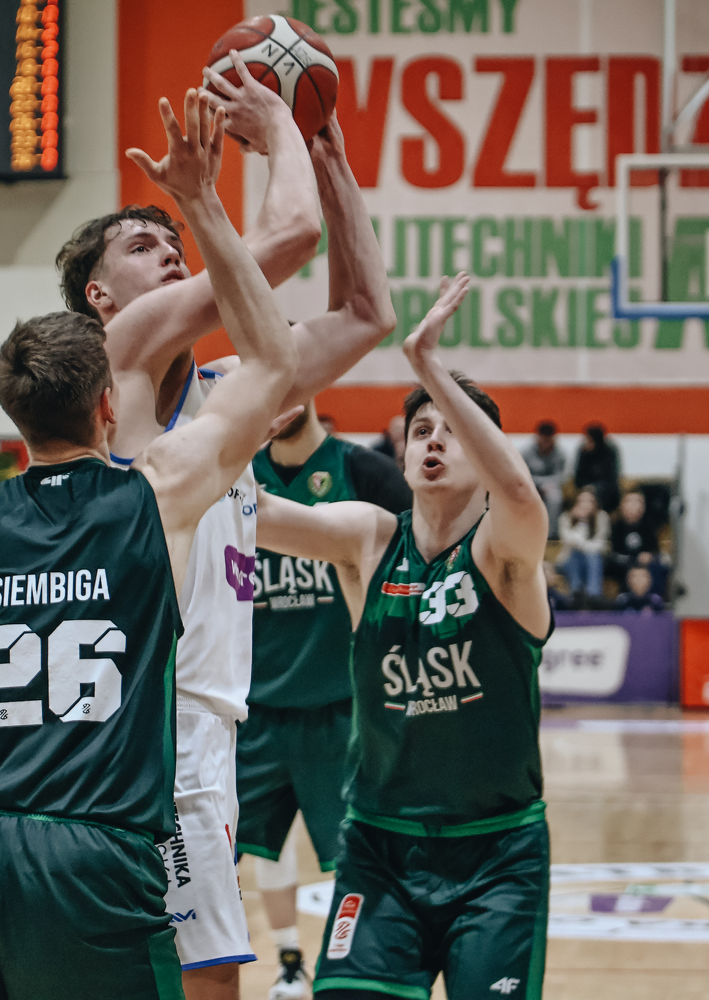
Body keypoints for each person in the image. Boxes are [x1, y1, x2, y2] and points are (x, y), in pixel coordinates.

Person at [0, 92, 297, 999]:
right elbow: (276, 348)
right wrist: (210, 196)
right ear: (108, 402)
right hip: (97, 834)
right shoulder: (156, 490)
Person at [56, 56, 395, 999]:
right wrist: (281, 121)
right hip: (144, 725)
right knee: (207, 982)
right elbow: (285, 240)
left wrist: (330, 156)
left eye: (174, 239)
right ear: (99, 294)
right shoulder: (112, 358)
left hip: (204, 727)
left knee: (175, 977)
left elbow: (366, 314)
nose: (171, 250)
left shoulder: (222, 406)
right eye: (142, 246)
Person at [256, 273, 554, 1000]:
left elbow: (520, 494)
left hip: (497, 853)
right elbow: (250, 514)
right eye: (421, 430)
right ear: (401, 455)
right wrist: (231, 417)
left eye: (453, 430)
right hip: (380, 848)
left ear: (486, 450)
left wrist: (426, 363)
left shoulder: (504, 554)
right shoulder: (369, 539)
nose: (433, 440)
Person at [240, 400, 411, 1000]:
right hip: (252, 707)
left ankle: (354, 967)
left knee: (356, 851)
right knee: (249, 849)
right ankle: (288, 962)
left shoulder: (364, 472)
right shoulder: (237, 474)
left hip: (345, 705)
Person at [556, 487, 609, 602]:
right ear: (575, 503)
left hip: (594, 560)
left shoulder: (601, 517)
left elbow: (600, 544)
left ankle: (593, 596)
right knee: (575, 556)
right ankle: (577, 595)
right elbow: (569, 540)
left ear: (595, 503)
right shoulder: (566, 517)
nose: (585, 505)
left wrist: (582, 545)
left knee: (592, 556)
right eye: (581, 501)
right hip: (568, 559)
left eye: (589, 501)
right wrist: (580, 521)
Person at [608, 490, 662, 590]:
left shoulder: (648, 526)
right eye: (630, 501)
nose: (634, 506)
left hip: (644, 566)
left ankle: (653, 598)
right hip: (623, 566)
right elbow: (615, 554)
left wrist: (649, 556)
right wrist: (635, 559)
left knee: (658, 569)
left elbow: (655, 551)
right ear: (622, 505)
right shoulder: (617, 527)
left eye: (638, 502)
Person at [520, 420, 566, 535]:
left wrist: (546, 485)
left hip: (551, 486)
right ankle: (524, 532)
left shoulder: (560, 453)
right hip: (529, 485)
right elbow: (521, 473)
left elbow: (560, 476)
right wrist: (538, 484)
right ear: (537, 437)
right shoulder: (525, 451)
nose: (546, 443)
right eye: (543, 440)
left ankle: (550, 534)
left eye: (548, 440)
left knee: (555, 499)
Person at [573, 422, 621, 513]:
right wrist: (587, 486)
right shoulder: (583, 452)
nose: (586, 442)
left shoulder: (609, 452)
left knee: (601, 494)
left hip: (606, 491)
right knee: (586, 496)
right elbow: (578, 476)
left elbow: (612, 478)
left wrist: (595, 487)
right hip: (585, 488)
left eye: (589, 440)